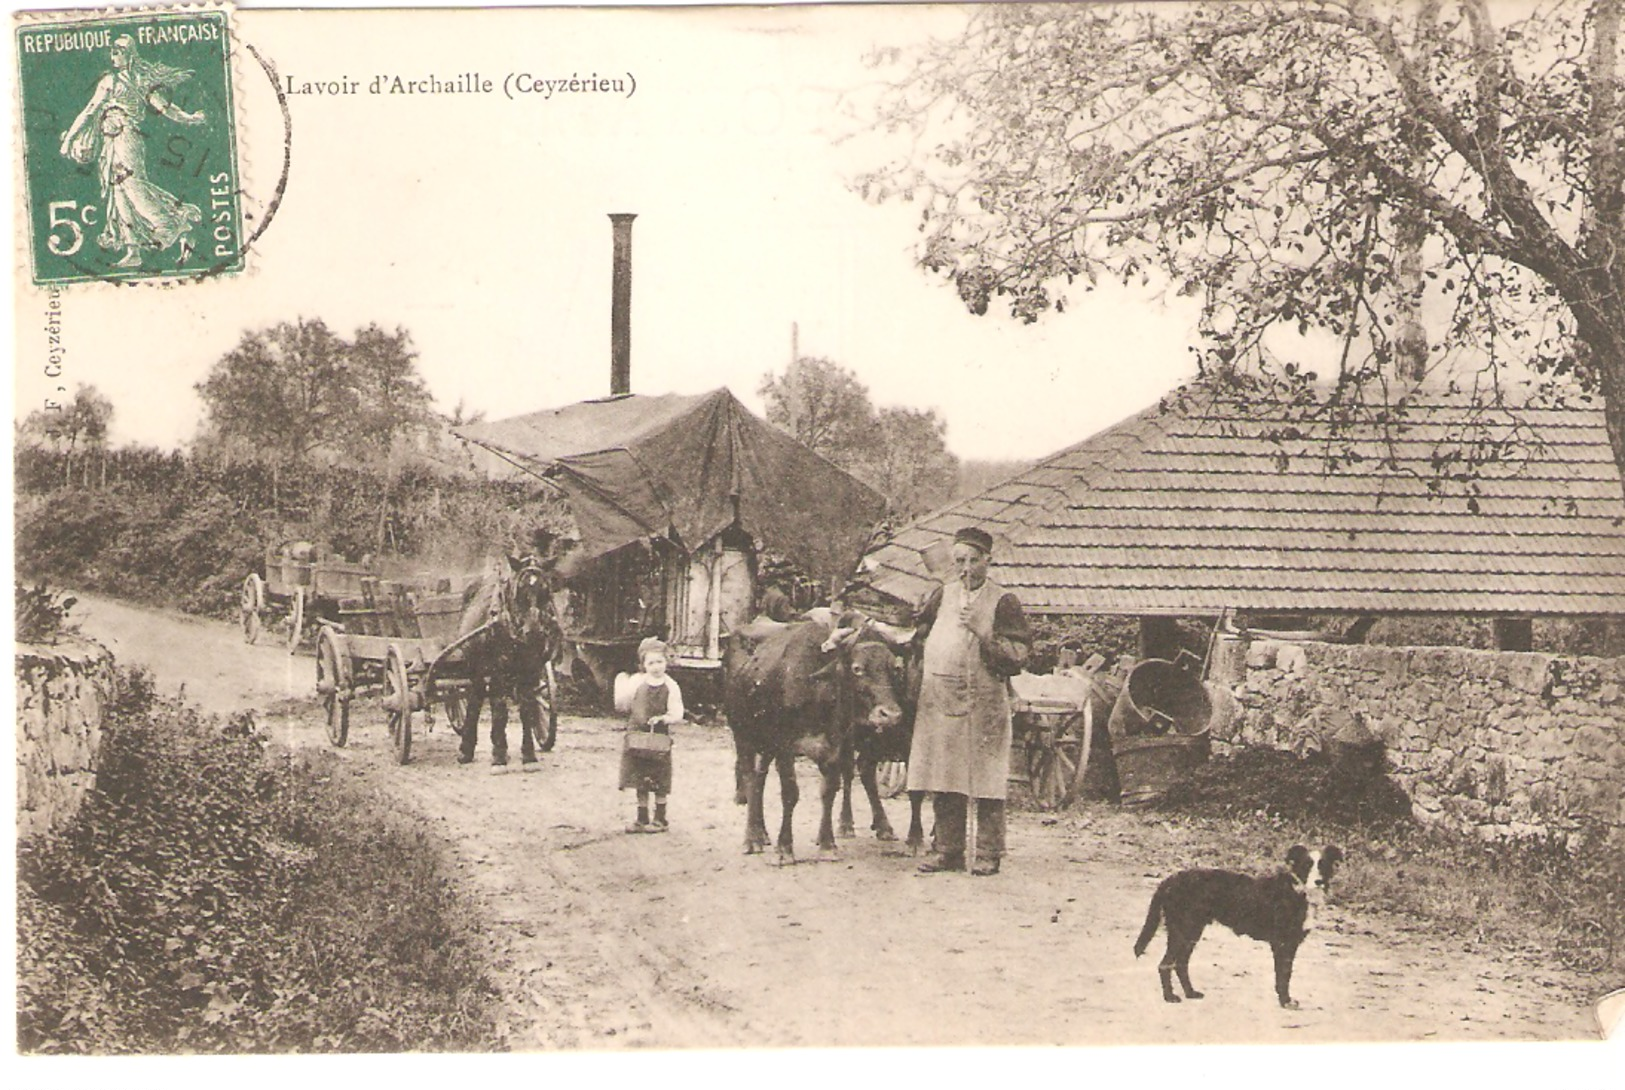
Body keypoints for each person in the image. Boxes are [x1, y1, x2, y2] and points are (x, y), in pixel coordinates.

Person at [908, 525, 1031, 876]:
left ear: (988, 561)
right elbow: (918, 635)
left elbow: (1019, 655)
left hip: (985, 699)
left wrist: (984, 632)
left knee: (987, 777)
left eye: (973, 561)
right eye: (959, 560)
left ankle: (989, 852)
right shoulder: (942, 595)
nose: (965, 569)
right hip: (941, 700)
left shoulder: (1003, 601)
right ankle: (948, 850)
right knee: (944, 774)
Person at [59, 34, 205, 270]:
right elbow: (90, 111)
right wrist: (70, 139)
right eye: (112, 51)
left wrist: (190, 118)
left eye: (119, 51)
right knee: (119, 194)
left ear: (130, 54)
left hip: (127, 140)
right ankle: (133, 249)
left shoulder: (137, 81)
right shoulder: (110, 81)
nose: (114, 56)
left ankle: (169, 225)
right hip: (110, 143)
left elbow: (165, 108)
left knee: (134, 187)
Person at [619, 637, 684, 833]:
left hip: (658, 739)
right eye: (651, 663)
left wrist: (664, 718)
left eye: (660, 662)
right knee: (639, 777)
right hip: (638, 735)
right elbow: (625, 703)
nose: (656, 667)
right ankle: (641, 818)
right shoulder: (637, 681)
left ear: (666, 662)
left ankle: (661, 819)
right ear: (643, 664)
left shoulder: (671, 685)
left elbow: (677, 712)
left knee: (659, 777)